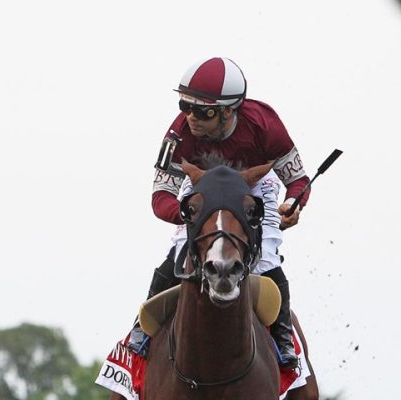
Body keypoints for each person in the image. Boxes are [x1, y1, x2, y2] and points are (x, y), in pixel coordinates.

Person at [128, 56, 312, 369]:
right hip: (203, 188)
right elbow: (161, 196)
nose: (190, 118)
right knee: (178, 251)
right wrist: (190, 214)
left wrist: (294, 204)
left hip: (253, 189)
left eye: (203, 111)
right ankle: (140, 328)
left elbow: (298, 181)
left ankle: (282, 335)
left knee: (265, 256)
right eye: (184, 106)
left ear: (228, 111)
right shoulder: (178, 135)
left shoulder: (265, 125)